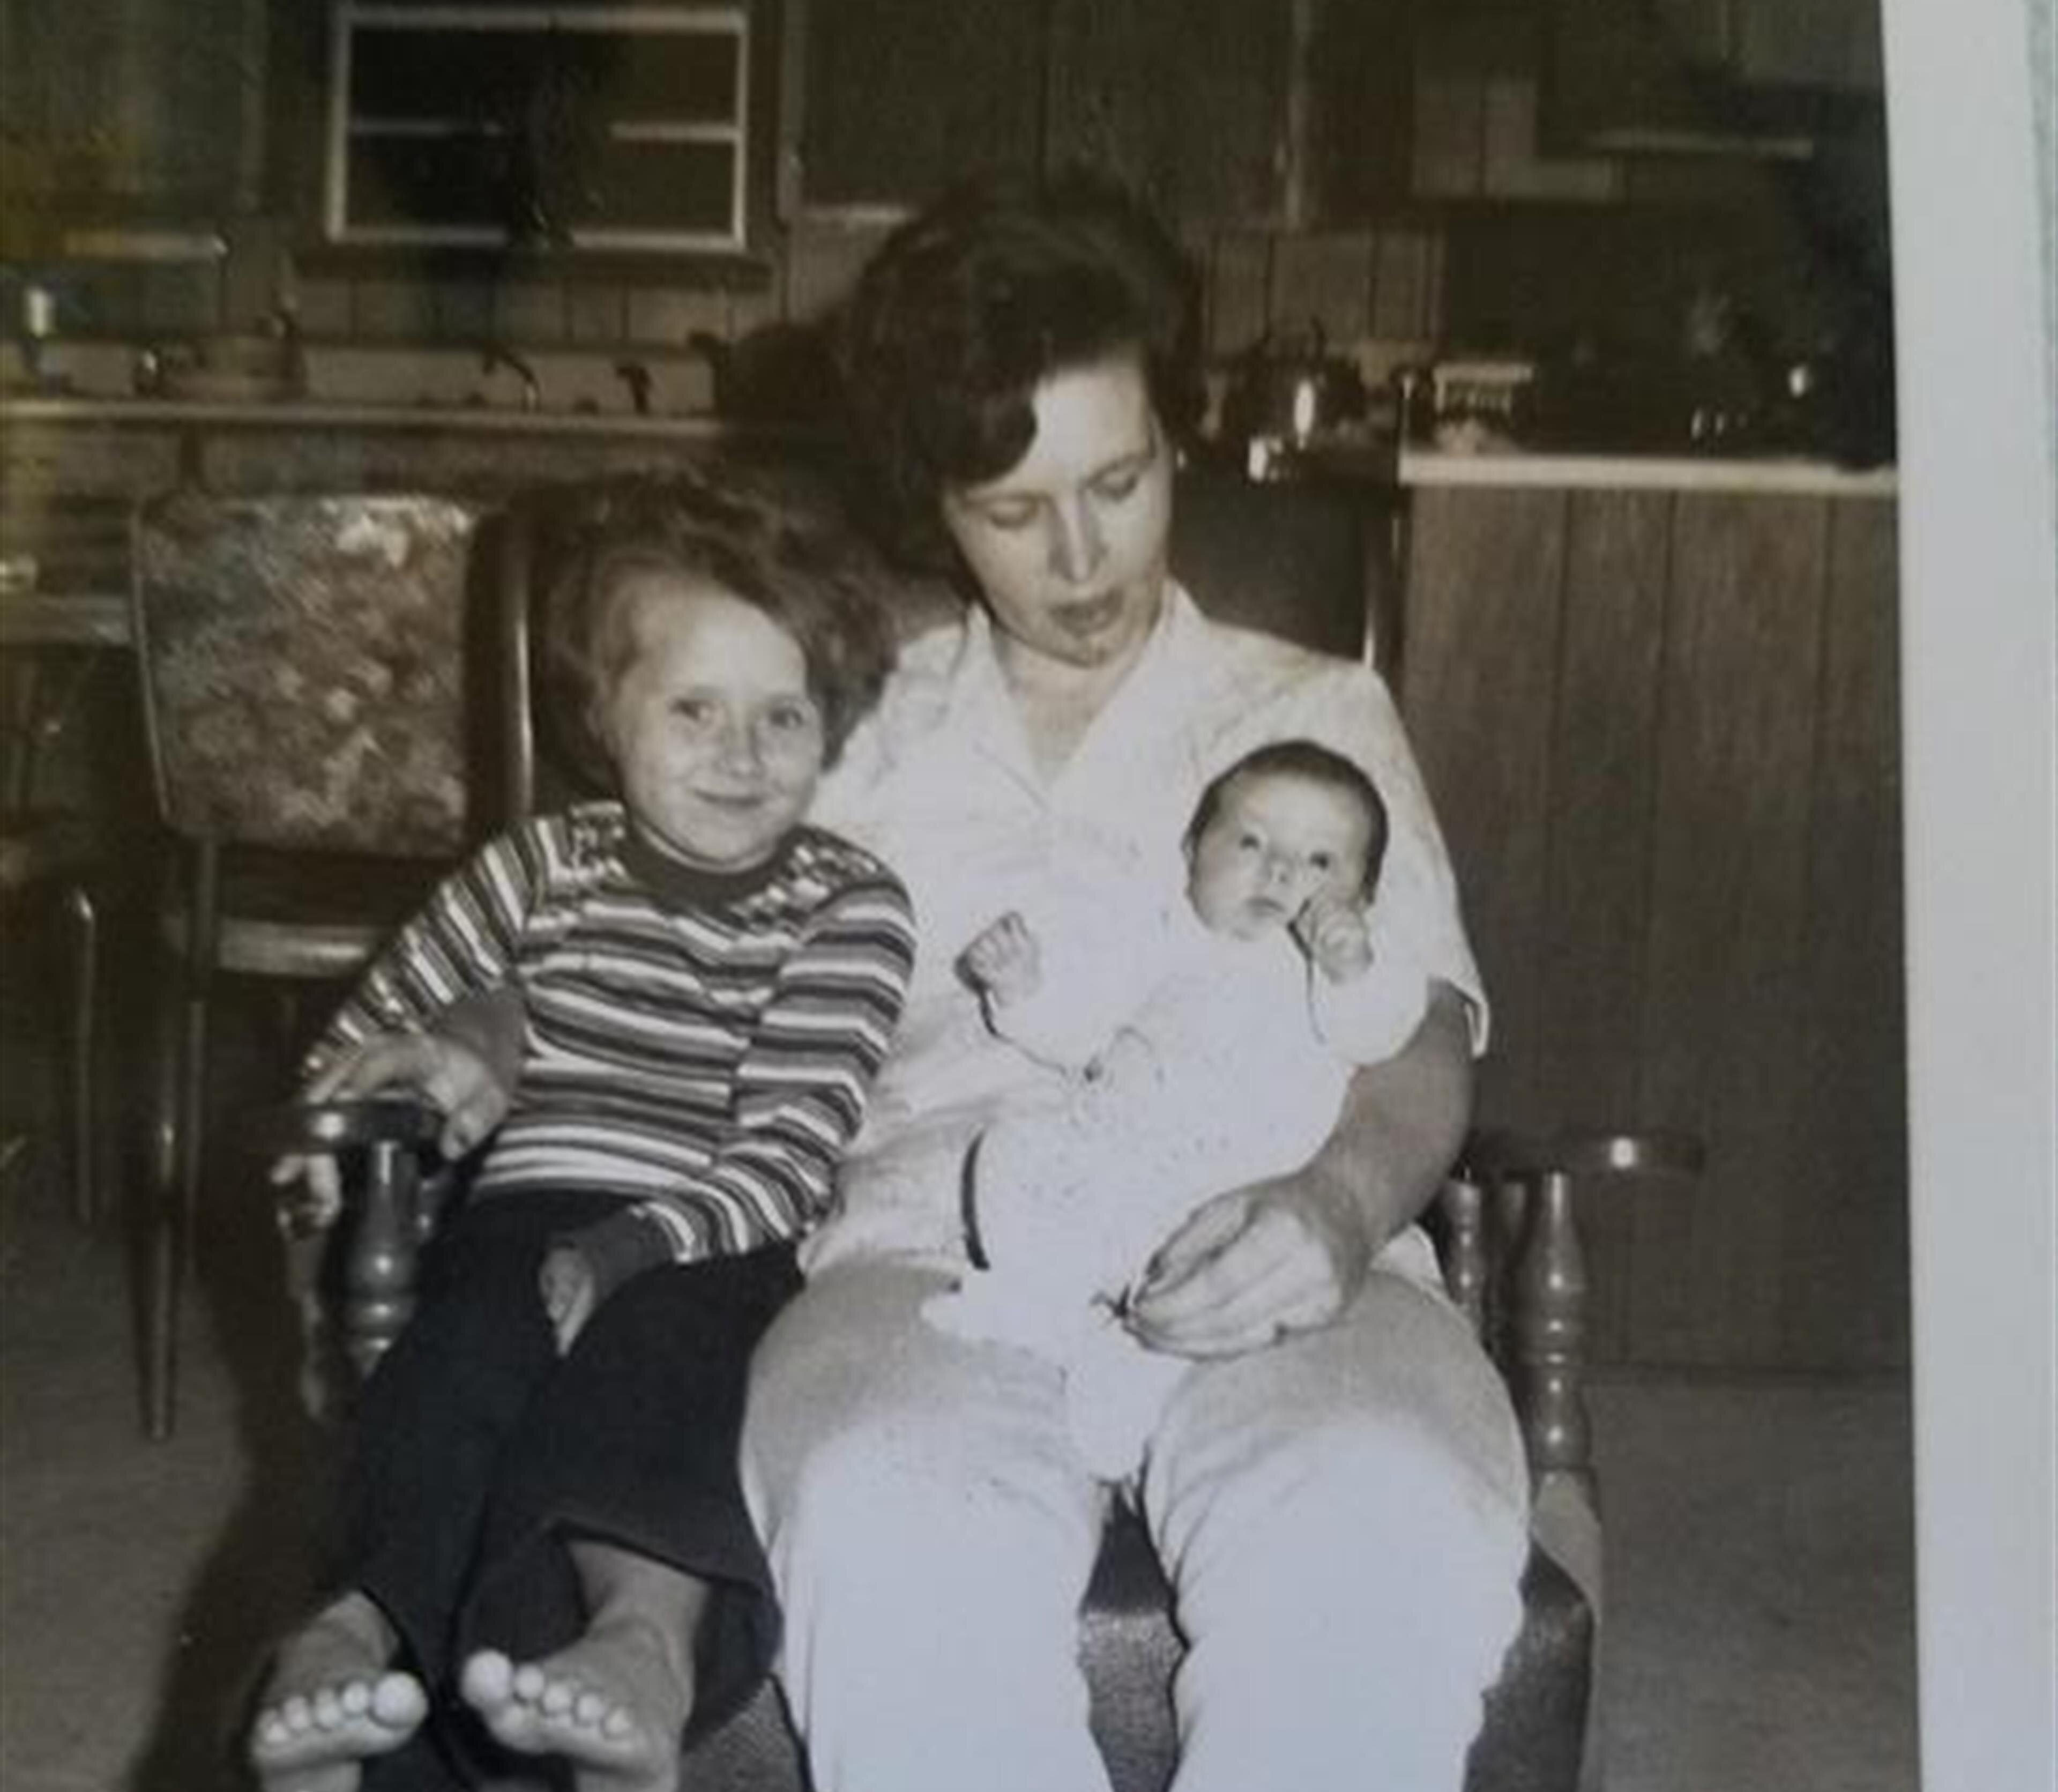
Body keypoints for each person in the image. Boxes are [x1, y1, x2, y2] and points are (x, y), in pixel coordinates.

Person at [737, 171, 1532, 1792]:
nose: (1084, 555)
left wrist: (1335, 1209)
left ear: (1179, 444)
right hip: (934, 1255)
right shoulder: (851, 733)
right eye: (1014, 510)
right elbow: (672, 967)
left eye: (1121, 480)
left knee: (1376, 1525)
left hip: (1279, 1229)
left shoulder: (1313, 708)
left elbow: (1421, 1038)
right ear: (934, 507)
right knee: (893, 1528)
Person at [247, 482, 916, 1792]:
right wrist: (384, 1109)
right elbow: (360, 1050)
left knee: (667, 1359)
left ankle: (640, 1648)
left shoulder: (849, 903)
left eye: (785, 716)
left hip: (720, 1232)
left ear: (832, 727)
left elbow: (791, 1150)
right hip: (524, 1211)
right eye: (694, 709)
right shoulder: (532, 871)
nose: (742, 754)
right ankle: (357, 1624)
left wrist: (633, 1249)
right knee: (458, 1353)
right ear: (604, 717)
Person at [930, 737, 1433, 1483]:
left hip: (1240, 1197)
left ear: (1363, 897)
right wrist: (1023, 987)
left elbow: (1380, 1032)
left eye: (1321, 862)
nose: (1281, 871)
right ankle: (1047, 1304)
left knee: (1219, 1293)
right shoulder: (1159, 942)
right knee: (1013, 1149)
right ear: (1194, 852)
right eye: (1251, 842)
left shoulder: (1342, 973)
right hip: (1122, 1159)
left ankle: (1144, 1357)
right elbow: (1077, 1033)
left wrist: (1352, 966)